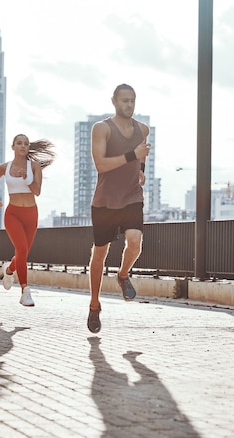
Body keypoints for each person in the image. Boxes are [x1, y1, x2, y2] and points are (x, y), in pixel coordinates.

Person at [87, 84, 151, 333]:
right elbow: (100, 164)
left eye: (133, 100)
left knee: (135, 241)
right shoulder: (102, 128)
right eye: (125, 100)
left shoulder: (142, 129)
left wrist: (142, 169)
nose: (129, 105)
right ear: (114, 101)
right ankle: (94, 305)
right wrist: (132, 156)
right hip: (104, 201)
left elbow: (143, 152)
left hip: (131, 196)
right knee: (99, 254)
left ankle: (123, 275)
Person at [0, 134, 55, 307]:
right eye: (19, 143)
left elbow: (37, 191)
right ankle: (25, 292)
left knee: (23, 253)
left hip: (31, 214)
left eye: (26, 143)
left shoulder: (34, 167)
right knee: (21, 249)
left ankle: (9, 270)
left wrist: (26, 178)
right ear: (13, 147)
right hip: (13, 214)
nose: (23, 146)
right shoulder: (5, 167)